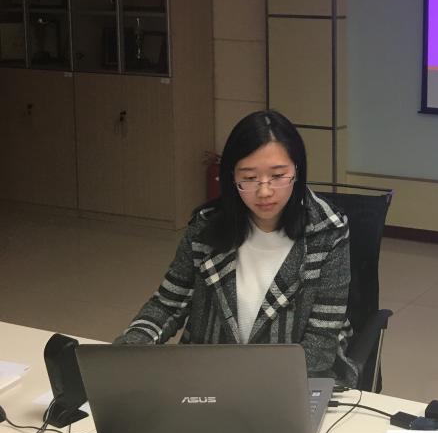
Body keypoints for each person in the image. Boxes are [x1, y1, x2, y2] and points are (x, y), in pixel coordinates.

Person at [116, 110, 358, 387]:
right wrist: (128, 351)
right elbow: (167, 304)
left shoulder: (327, 230)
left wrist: (251, 387)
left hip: (292, 382)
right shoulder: (206, 226)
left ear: (297, 171)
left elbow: (320, 341)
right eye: (250, 178)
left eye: (278, 176)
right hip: (208, 377)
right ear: (232, 177)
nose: (264, 191)